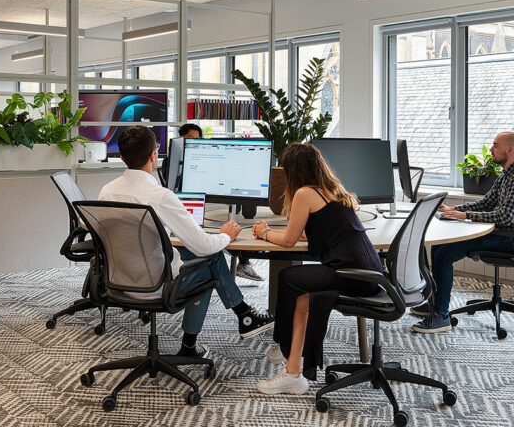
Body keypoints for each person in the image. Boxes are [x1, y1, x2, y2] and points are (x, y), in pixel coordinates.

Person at [99, 125, 274, 358]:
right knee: (211, 259)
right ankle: (194, 344)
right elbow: (203, 245)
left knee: (206, 255)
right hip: (157, 286)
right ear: (154, 155)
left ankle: (243, 316)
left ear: (121, 157)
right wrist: (226, 235)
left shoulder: (106, 192)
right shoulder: (160, 196)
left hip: (119, 281)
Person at [251, 142, 383, 395]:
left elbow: (289, 240)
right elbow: (307, 234)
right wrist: (272, 233)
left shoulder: (304, 194)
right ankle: (292, 367)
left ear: (293, 170)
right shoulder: (331, 190)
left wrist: (265, 232)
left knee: (289, 278)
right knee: (302, 295)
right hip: (369, 272)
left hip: (353, 274)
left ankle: (286, 348)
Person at [411, 131, 514, 334]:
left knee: (444, 255)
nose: (491, 149)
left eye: (495, 145)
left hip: (507, 240)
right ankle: (435, 305)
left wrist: (464, 217)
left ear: (510, 149)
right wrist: (455, 211)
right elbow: (486, 203)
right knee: (438, 246)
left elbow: (506, 217)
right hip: (497, 234)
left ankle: (441, 316)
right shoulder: (507, 174)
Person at [162, 122, 265, 283]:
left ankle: (243, 263)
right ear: (180, 138)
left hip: (200, 202)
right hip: (182, 206)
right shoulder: (172, 161)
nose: (193, 142)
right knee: (210, 246)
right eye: (189, 138)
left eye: (197, 139)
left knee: (236, 225)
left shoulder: (203, 159)